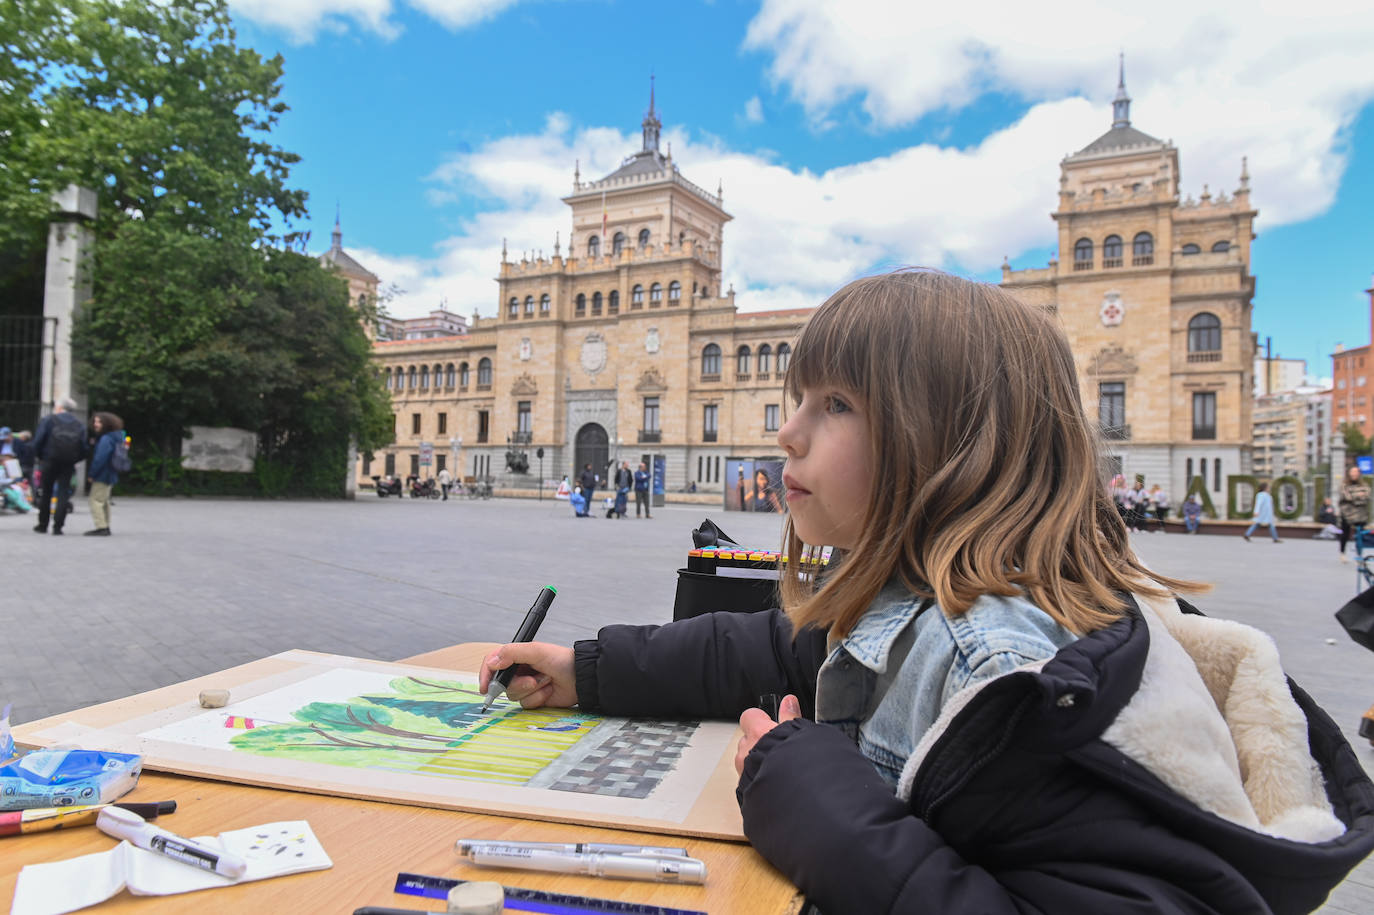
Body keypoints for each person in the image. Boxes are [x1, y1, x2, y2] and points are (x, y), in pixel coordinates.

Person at [475, 270, 1374, 913]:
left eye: (834, 405)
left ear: (950, 444)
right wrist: (588, 668)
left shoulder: (1014, 671)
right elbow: (777, 644)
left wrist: (812, 797)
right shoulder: (922, 596)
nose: (785, 433)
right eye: (797, 398)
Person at [32, 397, 88, 535]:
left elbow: (38, 441)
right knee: (63, 492)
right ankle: (58, 526)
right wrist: (74, 459)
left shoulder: (49, 420)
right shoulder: (79, 424)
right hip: (68, 463)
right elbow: (84, 448)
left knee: (46, 492)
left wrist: (41, 457)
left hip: (49, 460)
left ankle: (43, 524)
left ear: (59, 407)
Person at [85, 412, 125, 536]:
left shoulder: (106, 439)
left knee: (95, 500)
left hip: (102, 474)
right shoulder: (117, 437)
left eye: (99, 422)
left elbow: (100, 458)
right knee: (104, 501)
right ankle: (105, 525)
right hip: (111, 473)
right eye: (95, 421)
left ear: (107, 424)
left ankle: (101, 526)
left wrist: (92, 474)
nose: (96, 424)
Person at [1338, 465, 1370, 563]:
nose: (1354, 474)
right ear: (1349, 473)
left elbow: (1366, 497)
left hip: (1360, 514)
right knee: (1345, 534)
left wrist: (1354, 496)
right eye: (1352, 472)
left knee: (1359, 535)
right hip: (1347, 513)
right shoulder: (1344, 485)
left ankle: (1359, 555)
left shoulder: (1364, 485)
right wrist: (1359, 496)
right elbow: (1347, 497)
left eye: (1356, 472)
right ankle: (1342, 553)